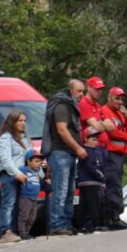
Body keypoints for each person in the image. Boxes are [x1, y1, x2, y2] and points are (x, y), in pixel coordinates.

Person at [41, 79, 86, 236]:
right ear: (71, 90)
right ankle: (57, 224)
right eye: (79, 91)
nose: (82, 94)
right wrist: (78, 147)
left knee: (69, 191)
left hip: (68, 153)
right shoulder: (62, 106)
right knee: (60, 190)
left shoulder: (70, 106)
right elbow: (62, 130)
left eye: (83, 91)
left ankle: (66, 223)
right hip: (60, 152)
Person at [99, 86, 127, 230]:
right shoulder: (105, 111)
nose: (120, 102)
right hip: (111, 153)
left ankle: (115, 216)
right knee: (113, 185)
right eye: (117, 98)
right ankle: (113, 218)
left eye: (121, 99)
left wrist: (126, 118)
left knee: (116, 184)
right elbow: (113, 132)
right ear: (109, 98)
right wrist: (126, 135)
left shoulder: (120, 113)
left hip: (119, 154)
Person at [0, 110, 30, 242]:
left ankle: (15, 232)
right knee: (8, 204)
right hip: (10, 175)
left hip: (23, 176)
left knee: (18, 206)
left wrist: (40, 174)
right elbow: (5, 158)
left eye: (24, 121)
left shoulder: (24, 138)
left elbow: (30, 157)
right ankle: (5, 231)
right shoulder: (6, 137)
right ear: (12, 122)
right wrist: (16, 173)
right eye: (20, 120)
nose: (23, 123)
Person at [77, 129, 108, 233]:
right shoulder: (87, 150)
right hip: (90, 182)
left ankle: (85, 227)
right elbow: (91, 166)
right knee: (92, 205)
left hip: (88, 182)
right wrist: (101, 175)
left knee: (85, 205)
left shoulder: (94, 150)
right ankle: (92, 226)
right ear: (86, 139)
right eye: (93, 139)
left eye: (97, 140)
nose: (96, 142)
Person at [18, 150, 48, 240]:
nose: (39, 163)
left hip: (34, 198)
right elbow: (16, 178)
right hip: (25, 197)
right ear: (28, 161)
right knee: (24, 216)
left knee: (32, 217)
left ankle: (27, 232)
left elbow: (38, 183)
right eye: (36, 161)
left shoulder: (37, 172)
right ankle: (22, 233)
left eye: (40, 161)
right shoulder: (23, 170)